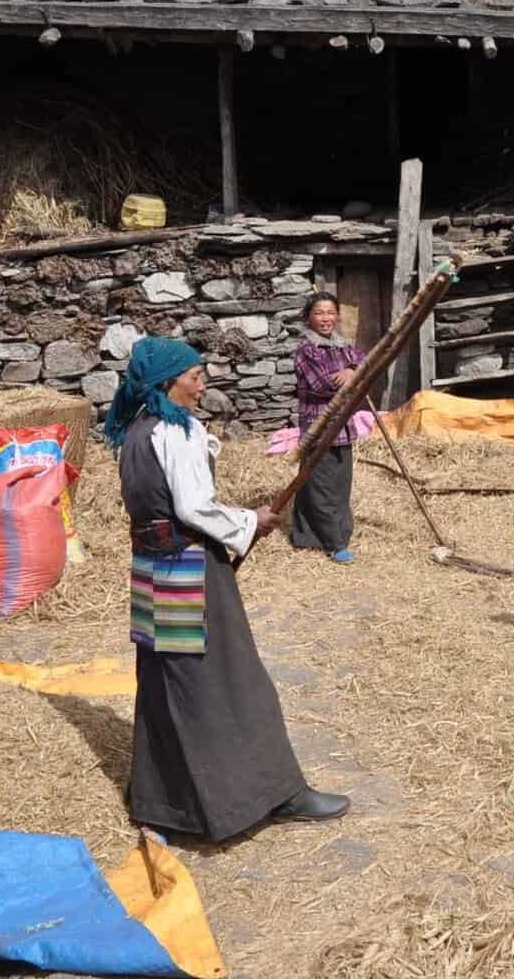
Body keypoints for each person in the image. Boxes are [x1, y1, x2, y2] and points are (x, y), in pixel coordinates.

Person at [108, 336, 349, 840]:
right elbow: (194, 507)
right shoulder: (175, 432)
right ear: (170, 382)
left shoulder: (136, 430)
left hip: (155, 567)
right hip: (192, 568)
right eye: (195, 376)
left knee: (168, 681)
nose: (203, 384)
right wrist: (249, 520)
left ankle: (164, 804)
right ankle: (270, 792)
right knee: (228, 681)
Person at [292, 292, 365, 564]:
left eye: (330, 312)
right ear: (309, 317)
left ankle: (306, 535)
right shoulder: (307, 350)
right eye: (319, 313)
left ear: (338, 316)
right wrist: (353, 375)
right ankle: (334, 543)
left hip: (343, 426)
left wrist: (352, 371)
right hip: (319, 425)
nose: (326, 318)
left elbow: (365, 362)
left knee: (340, 484)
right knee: (319, 484)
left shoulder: (343, 346)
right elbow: (323, 385)